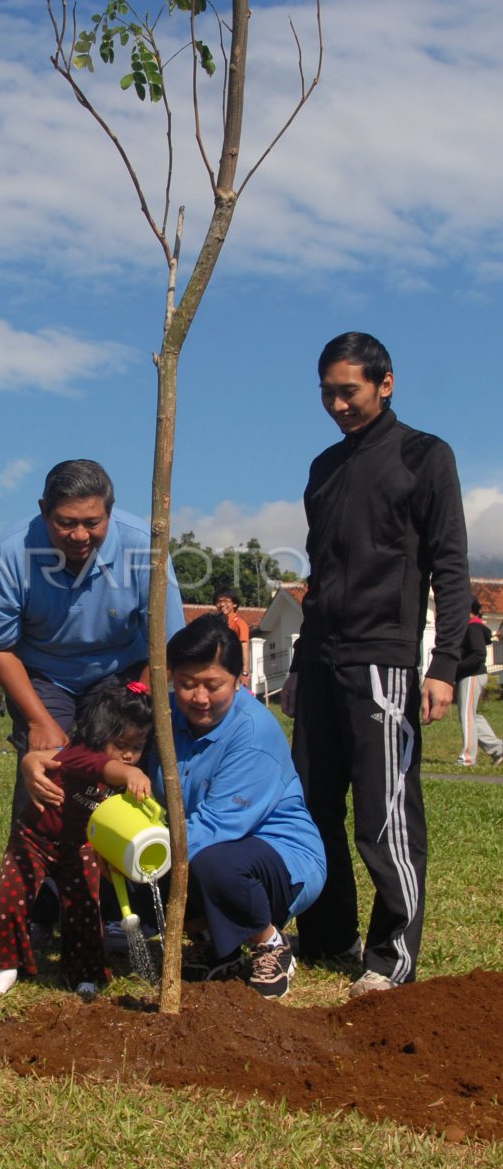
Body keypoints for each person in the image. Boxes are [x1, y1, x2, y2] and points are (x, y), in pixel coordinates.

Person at [281, 331, 470, 997]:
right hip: (322, 658)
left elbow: (449, 566)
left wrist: (443, 663)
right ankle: (329, 935)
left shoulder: (423, 456)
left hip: (383, 662)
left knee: (383, 812)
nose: (335, 404)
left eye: (348, 391)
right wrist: (299, 663)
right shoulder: (323, 469)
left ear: (384, 383)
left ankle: (391, 954)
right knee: (312, 806)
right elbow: (320, 573)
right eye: (326, 392)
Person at [25, 614, 326, 1001]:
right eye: (186, 684)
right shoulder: (161, 716)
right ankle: (215, 946)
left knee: (209, 863)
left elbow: (216, 828)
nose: (199, 698)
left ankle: (269, 944)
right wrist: (41, 760)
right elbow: (98, 749)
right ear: (171, 678)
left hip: (274, 858)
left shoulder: (253, 733)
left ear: (237, 680)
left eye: (213, 685)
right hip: (189, 844)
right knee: (121, 861)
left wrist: (139, 854)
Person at [0, 459, 184, 824]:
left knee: (124, 757)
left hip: (124, 673)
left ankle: (122, 871)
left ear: (110, 510)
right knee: (47, 765)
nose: (79, 536)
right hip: (44, 673)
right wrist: (38, 721)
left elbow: (167, 644)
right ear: (44, 511)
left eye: (92, 522)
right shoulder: (11, 553)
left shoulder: (144, 547)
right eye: (65, 523)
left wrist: (136, 702)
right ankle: (41, 869)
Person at [0, 682, 153, 999]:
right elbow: (102, 766)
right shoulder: (78, 756)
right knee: (13, 896)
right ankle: (6, 964)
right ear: (99, 737)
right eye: (121, 744)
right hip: (34, 838)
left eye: (138, 746)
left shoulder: (125, 774)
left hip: (81, 846)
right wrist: (130, 774)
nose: (130, 755)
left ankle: (84, 972)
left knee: (85, 907)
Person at [455, 599, 503, 768]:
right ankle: (499, 750)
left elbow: (478, 655)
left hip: (472, 675)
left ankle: (467, 759)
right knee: (472, 716)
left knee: (467, 716)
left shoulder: (473, 627)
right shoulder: (472, 626)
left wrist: (456, 668)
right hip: (471, 675)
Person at [214, 587, 252, 688]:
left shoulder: (240, 624)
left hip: (234, 671)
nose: (222, 604)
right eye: (219, 601)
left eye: (226, 601)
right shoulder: (215, 624)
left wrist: (244, 673)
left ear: (234, 604)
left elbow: (244, 648)